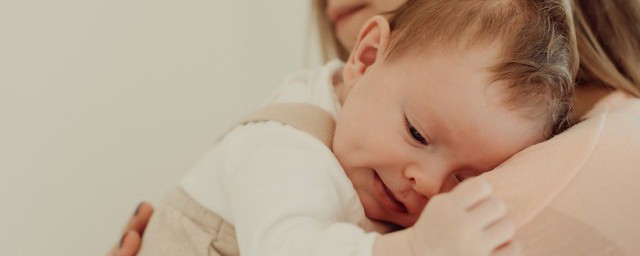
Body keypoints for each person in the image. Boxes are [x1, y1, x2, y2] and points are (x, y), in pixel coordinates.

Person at [111, 0, 640, 255]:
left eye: (465, 180)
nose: (430, 186)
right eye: (416, 132)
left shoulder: (602, 150)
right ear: (366, 56)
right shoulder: (288, 146)